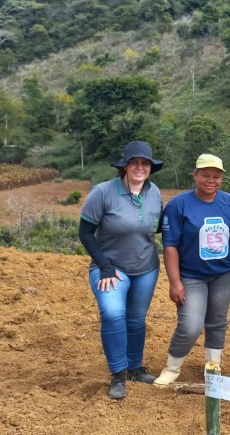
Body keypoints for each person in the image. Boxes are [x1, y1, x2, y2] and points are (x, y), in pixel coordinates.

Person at [154, 154, 230, 386]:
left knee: (217, 320)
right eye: (205, 175)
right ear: (195, 175)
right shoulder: (179, 204)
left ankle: (212, 367)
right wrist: (175, 282)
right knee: (190, 325)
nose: (211, 180)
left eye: (216, 176)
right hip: (191, 276)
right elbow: (170, 246)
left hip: (224, 273)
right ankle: (172, 367)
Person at [79, 141, 165, 400]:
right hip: (111, 269)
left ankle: (135, 367)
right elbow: (85, 233)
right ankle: (118, 373)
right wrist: (104, 266)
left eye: (145, 163)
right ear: (125, 166)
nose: (140, 167)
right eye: (135, 162)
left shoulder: (154, 192)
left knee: (136, 319)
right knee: (114, 313)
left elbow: (158, 227)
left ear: (150, 167)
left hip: (146, 268)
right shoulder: (103, 192)